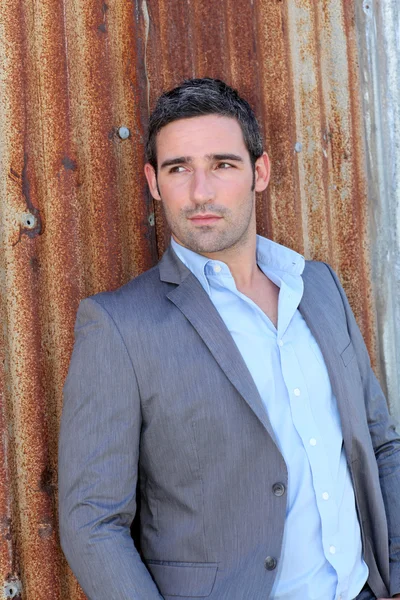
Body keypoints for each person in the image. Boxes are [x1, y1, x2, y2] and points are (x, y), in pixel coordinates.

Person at [58, 78, 400, 600]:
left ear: (258, 172)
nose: (201, 192)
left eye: (222, 164)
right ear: (153, 181)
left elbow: (380, 442)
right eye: (179, 169)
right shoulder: (119, 327)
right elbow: (92, 522)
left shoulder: (319, 287)